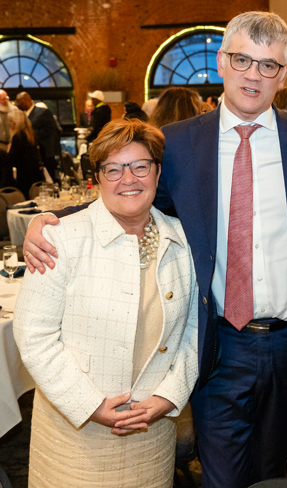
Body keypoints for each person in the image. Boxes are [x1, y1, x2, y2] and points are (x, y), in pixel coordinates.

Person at [21, 11, 287, 488]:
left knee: (272, 472)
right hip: (218, 344)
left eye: (268, 65)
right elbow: (131, 192)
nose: (254, 74)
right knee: (224, 478)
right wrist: (50, 222)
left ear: (283, 74)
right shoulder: (181, 143)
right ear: (222, 62)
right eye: (242, 60)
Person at [14, 118, 198, 487]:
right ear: (97, 177)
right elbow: (33, 336)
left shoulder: (182, 239)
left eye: (140, 166)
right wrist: (91, 406)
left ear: (157, 172)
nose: (128, 179)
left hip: (151, 432)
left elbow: (194, 329)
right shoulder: (61, 240)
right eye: (113, 168)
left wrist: (168, 396)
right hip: (75, 438)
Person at [15, 91, 61, 181]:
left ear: (28, 100)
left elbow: (51, 130)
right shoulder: (22, 114)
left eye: (19, 101)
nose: (18, 104)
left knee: (49, 181)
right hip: (31, 158)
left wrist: (31, 135)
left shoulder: (42, 112)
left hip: (45, 154)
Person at [7, 110, 43, 199]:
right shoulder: (31, 135)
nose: (9, 123)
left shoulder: (17, 137)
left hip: (24, 175)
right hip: (35, 173)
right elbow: (43, 149)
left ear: (16, 122)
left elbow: (10, 158)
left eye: (11, 121)